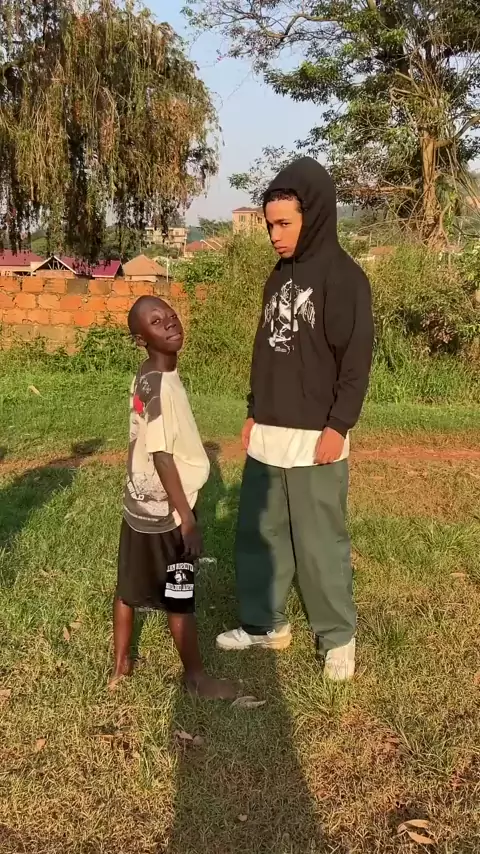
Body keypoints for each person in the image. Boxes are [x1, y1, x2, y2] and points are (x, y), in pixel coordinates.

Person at [217, 157, 374, 681]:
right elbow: (265, 351)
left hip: (317, 435)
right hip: (270, 430)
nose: (275, 235)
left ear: (316, 215)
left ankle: (338, 636)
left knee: (319, 540)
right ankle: (266, 624)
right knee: (261, 533)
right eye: (270, 225)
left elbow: (355, 362)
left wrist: (339, 425)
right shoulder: (276, 278)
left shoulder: (345, 279)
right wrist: (253, 411)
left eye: (284, 223)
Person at [111, 295, 236, 699]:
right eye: (156, 321)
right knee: (179, 592)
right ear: (140, 339)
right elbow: (163, 457)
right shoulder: (162, 389)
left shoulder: (147, 374)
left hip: (137, 504)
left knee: (127, 587)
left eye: (171, 315)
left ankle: (121, 666)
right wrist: (187, 518)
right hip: (167, 511)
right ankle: (195, 678)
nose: (169, 323)